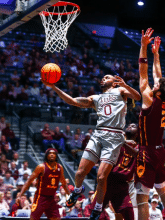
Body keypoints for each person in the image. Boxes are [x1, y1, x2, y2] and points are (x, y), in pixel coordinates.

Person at [42, 58, 140, 220]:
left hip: (115, 136)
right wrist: (54, 87)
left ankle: (98, 209)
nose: (103, 78)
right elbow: (73, 101)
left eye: (107, 77)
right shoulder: (96, 98)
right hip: (98, 134)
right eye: (103, 78)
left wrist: (125, 85)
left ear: (114, 83)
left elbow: (137, 97)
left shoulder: (121, 92)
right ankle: (77, 190)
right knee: (80, 173)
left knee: (101, 177)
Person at [136, 28, 165, 220]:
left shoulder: (149, 99)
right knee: (161, 189)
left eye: (157, 86)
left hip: (147, 151)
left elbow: (143, 74)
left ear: (158, 92)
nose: (155, 84)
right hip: (160, 151)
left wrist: (144, 47)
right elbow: (157, 76)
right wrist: (157, 54)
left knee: (142, 196)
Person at [88, 123, 139, 220]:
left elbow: (137, 154)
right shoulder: (117, 140)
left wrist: (122, 142)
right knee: (94, 214)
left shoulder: (138, 147)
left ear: (137, 134)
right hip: (107, 181)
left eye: (133, 126)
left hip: (122, 186)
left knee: (129, 214)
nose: (129, 126)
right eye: (128, 125)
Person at [17, 148, 70, 220]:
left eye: (54, 153)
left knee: (56, 218)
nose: (52, 155)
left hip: (51, 198)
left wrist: (70, 195)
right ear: (46, 155)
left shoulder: (60, 167)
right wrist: (20, 195)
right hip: (40, 197)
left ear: (56, 156)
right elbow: (29, 181)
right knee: (33, 218)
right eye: (50, 153)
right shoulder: (41, 167)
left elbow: (64, 183)